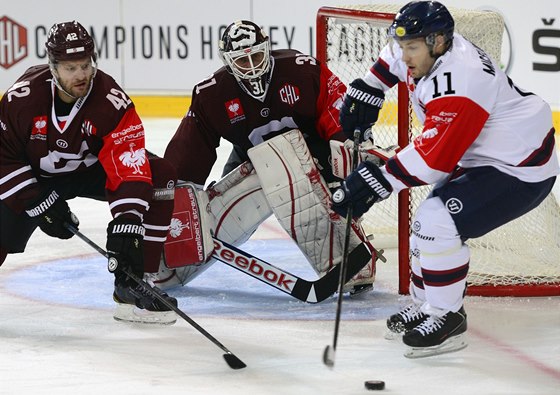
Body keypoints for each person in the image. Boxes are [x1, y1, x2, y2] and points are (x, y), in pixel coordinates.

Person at [332, 1, 559, 357]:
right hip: (483, 155)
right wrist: (371, 86)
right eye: (403, 45)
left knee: (438, 221)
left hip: (519, 166)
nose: (405, 55)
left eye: (413, 48)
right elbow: (393, 53)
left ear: (438, 42)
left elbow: (433, 160)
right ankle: (427, 305)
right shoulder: (424, 48)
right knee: (426, 224)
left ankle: (447, 317)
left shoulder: (463, 80)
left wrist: (376, 182)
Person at [160, 20, 377, 294]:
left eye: (257, 56)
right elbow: (188, 153)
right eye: (241, 61)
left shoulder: (301, 70)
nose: (251, 66)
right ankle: (174, 262)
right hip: (251, 157)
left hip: (316, 153)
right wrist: (174, 201)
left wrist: (346, 144)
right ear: (228, 62)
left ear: (267, 49)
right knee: (222, 215)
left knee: (328, 189)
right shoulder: (212, 94)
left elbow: (338, 110)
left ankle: (349, 259)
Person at [0, 21, 179, 325]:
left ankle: (132, 286)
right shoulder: (22, 99)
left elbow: (128, 160)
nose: (81, 75)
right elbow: (3, 156)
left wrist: (127, 221)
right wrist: (38, 202)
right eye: (70, 68)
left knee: (160, 175)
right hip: (35, 176)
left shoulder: (111, 101)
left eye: (85, 65)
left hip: (90, 169)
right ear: (53, 67)